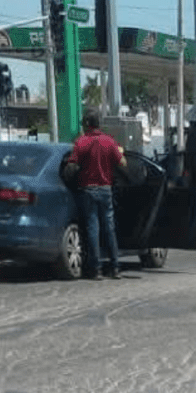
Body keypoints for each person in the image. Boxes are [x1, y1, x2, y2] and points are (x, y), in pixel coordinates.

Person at [67, 108, 127, 280]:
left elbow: (71, 166)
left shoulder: (81, 142)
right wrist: (119, 153)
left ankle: (96, 270)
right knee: (110, 229)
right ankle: (115, 268)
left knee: (93, 229)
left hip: (88, 190)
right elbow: (122, 163)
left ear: (87, 124)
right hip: (106, 189)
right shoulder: (109, 142)